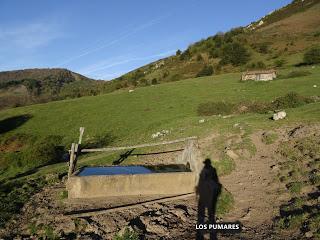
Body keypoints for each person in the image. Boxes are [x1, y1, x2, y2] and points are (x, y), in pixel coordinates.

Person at [196, 158, 222, 240]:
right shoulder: (212, 171)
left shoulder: (205, 172)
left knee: (203, 214)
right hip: (209, 194)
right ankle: (212, 232)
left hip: (206, 194)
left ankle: (202, 233)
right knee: (210, 214)